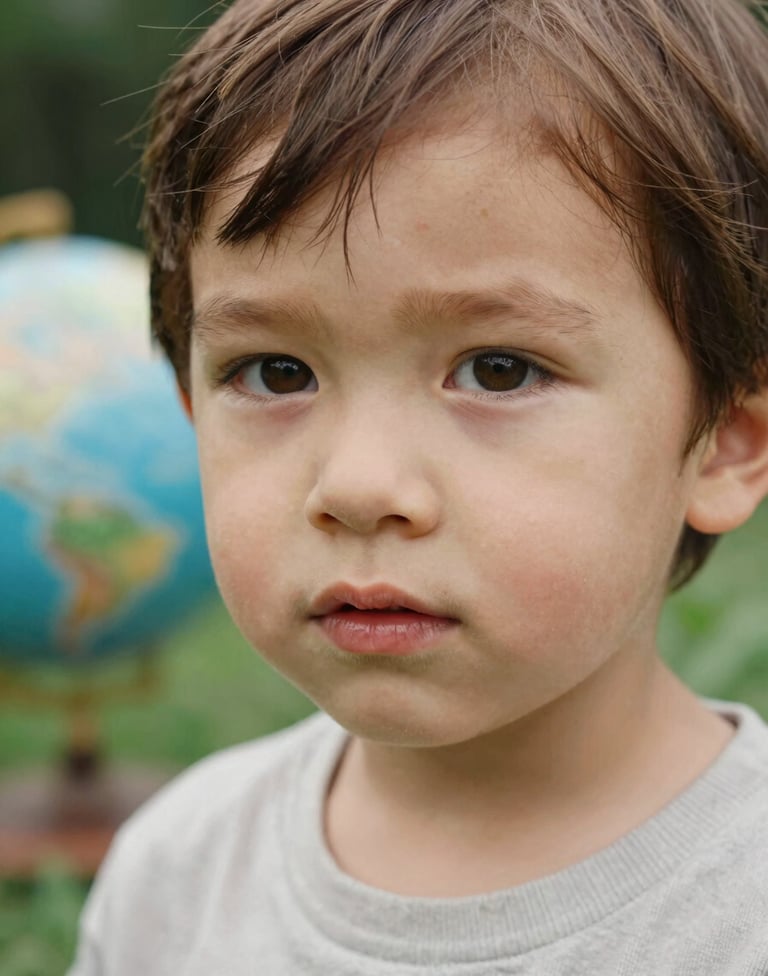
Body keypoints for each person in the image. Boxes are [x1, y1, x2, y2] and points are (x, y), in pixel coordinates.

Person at [68, 0, 768, 972]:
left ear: (727, 442)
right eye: (276, 372)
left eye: (499, 370)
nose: (357, 485)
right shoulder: (174, 877)